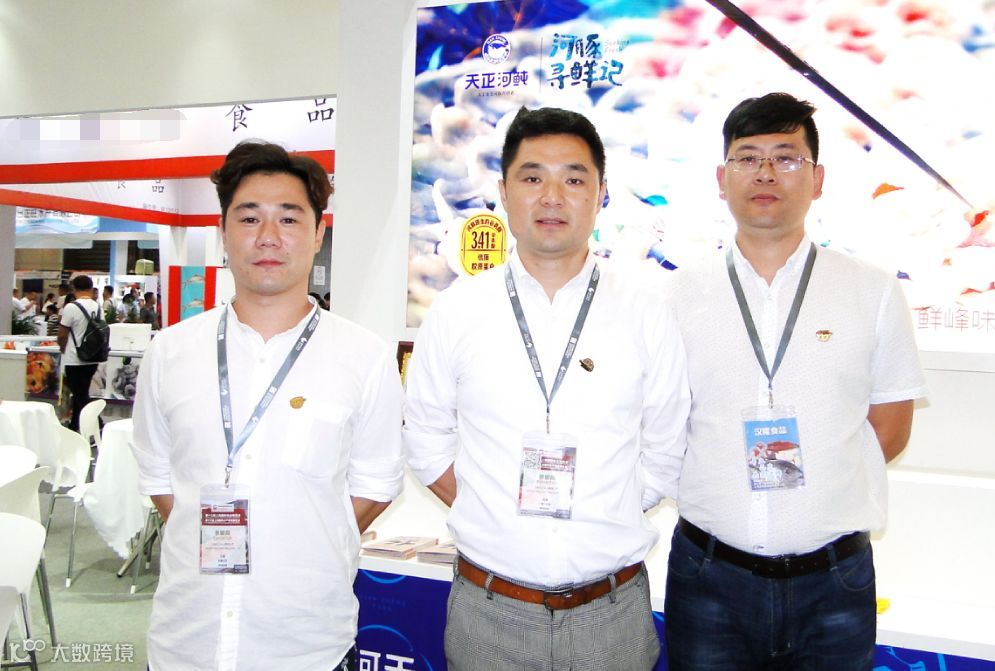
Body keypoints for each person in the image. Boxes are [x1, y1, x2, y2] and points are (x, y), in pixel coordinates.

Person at [404, 106, 690, 671]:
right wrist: (491, 509)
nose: (553, 197)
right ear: (504, 193)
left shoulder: (646, 312)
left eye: (574, 180)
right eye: (533, 177)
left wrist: (601, 506)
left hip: (611, 615)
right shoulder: (457, 311)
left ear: (601, 194)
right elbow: (427, 441)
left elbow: (666, 448)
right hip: (488, 612)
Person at [663, 92, 927, 670]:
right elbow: (662, 426)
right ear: (721, 178)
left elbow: (890, 427)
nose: (765, 173)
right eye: (747, 157)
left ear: (818, 178)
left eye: (786, 157)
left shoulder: (872, 290)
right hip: (709, 577)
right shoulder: (674, 295)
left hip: (833, 579)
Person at [131, 140, 405, 671]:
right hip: (185, 641)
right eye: (250, 217)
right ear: (223, 231)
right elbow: (159, 476)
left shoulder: (364, 356)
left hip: (307, 645)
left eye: (289, 218)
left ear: (319, 233)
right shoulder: (170, 351)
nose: (268, 237)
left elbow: (375, 484)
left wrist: (303, 537)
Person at [57, 275, 103, 432]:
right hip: (92, 357)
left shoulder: (71, 307)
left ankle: (99, 423)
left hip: (74, 358)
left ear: (74, 289)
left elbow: (62, 334)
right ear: (91, 288)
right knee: (81, 392)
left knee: (80, 395)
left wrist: (62, 348)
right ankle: (75, 425)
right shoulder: (97, 307)